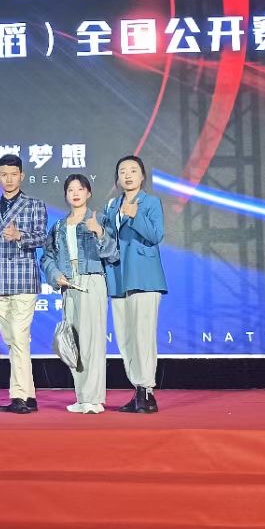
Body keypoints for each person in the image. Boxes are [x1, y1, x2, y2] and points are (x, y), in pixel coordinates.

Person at [40, 174, 117, 414]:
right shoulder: (59, 226)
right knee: (73, 341)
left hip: (92, 280)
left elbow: (113, 253)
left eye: (80, 189)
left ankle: (94, 399)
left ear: (88, 193)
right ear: (65, 195)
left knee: (93, 340)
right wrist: (56, 275)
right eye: (70, 189)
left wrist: (99, 233)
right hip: (69, 284)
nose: (75, 193)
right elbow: (47, 257)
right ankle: (82, 397)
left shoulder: (99, 219)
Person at [0, 153, 48, 414]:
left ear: (22, 176)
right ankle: (29, 395)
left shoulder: (34, 205)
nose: (9, 179)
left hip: (23, 280)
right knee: (13, 341)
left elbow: (42, 238)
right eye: (4, 175)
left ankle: (18, 397)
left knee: (19, 338)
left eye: (13, 174)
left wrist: (20, 235)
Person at [101, 154, 168, 413]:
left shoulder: (150, 202)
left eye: (132, 170)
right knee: (125, 337)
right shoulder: (111, 206)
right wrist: (99, 232)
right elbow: (108, 242)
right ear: (117, 178)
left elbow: (156, 235)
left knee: (143, 336)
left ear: (142, 176)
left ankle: (147, 391)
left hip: (144, 278)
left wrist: (136, 215)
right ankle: (138, 389)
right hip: (118, 277)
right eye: (122, 171)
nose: (127, 175)